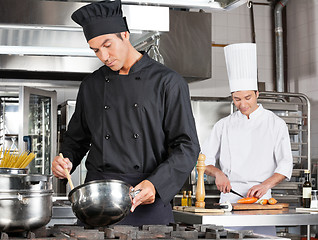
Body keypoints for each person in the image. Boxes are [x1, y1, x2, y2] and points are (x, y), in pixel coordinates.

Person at [51, 0, 200, 226]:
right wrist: (65, 160)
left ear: (125, 34)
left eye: (107, 44)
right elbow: (75, 140)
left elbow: (187, 146)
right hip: (97, 206)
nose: (103, 55)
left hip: (146, 201)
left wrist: (156, 184)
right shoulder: (91, 85)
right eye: (96, 50)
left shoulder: (168, 82)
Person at [201, 43, 293, 235]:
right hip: (229, 201)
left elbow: (285, 165)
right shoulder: (223, 125)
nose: (242, 104)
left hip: (261, 201)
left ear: (257, 94)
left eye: (248, 98)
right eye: (237, 99)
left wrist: (265, 185)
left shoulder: (275, 124)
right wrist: (218, 173)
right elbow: (204, 162)